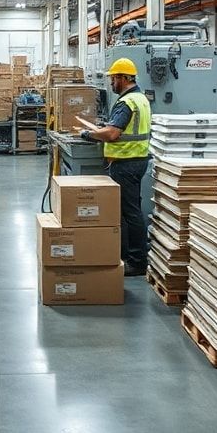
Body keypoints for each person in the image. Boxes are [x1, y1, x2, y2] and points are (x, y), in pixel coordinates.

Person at [77, 58, 151, 276]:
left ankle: (136, 261)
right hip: (137, 160)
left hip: (125, 162)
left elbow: (112, 134)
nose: (111, 83)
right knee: (132, 211)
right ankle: (130, 256)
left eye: (113, 78)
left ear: (123, 78)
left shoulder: (126, 102)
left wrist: (89, 134)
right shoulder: (141, 99)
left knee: (129, 214)